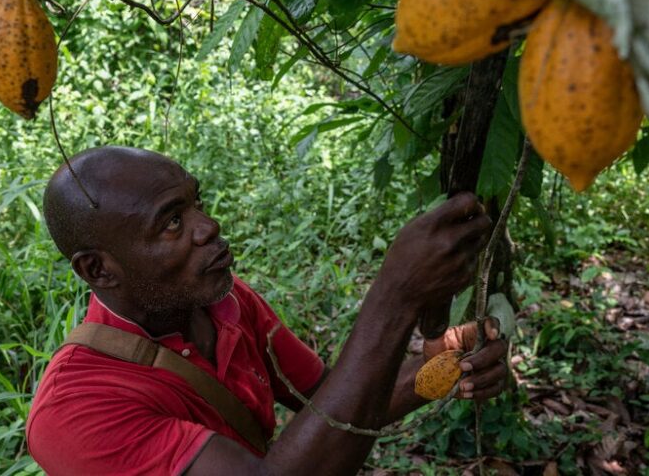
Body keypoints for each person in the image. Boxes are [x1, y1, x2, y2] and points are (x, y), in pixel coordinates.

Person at [27, 146, 508, 475]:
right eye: (172, 222)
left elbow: (328, 400)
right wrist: (394, 299)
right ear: (98, 269)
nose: (208, 226)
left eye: (197, 204)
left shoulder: (225, 305)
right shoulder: (74, 410)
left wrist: (447, 364)